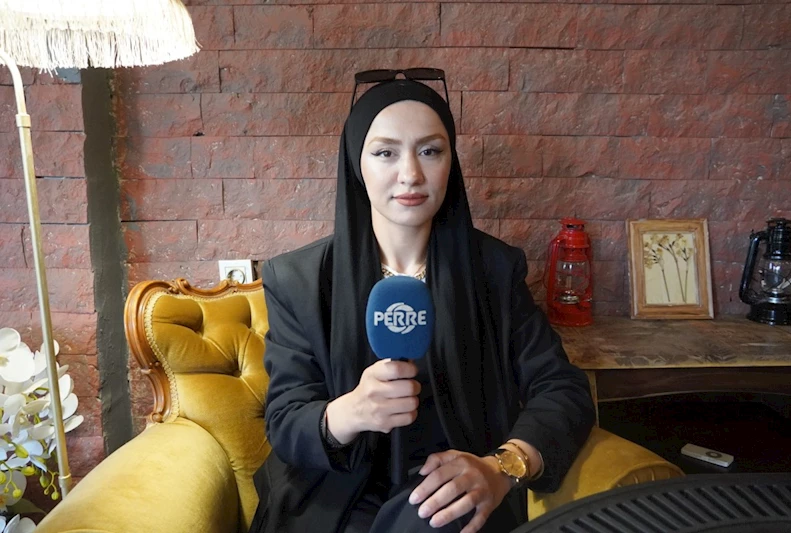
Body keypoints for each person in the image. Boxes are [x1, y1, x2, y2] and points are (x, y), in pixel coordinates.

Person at [249, 70, 595, 533]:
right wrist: (350, 411)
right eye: (385, 153)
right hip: (334, 499)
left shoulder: (495, 270)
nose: (410, 174)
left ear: (451, 161)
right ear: (356, 163)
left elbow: (563, 389)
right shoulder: (297, 279)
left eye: (430, 151)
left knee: (438, 516)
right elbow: (285, 420)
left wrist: (502, 467)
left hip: (454, 492)